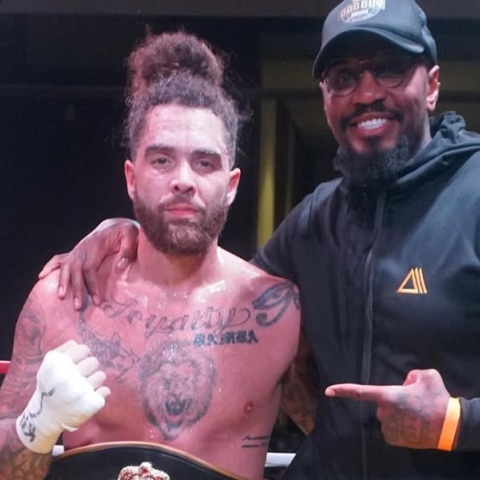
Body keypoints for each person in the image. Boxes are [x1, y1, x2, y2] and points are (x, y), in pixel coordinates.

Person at [40, 0, 480, 478]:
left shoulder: (473, 194)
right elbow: (216, 281)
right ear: (326, 99)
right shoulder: (316, 219)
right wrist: (129, 232)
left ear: (431, 86)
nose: (367, 92)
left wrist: (456, 422)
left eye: (390, 68)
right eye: (344, 77)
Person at [0, 31, 303, 480]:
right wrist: (37, 424)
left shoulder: (279, 315)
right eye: (162, 160)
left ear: (232, 185)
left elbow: (348, 444)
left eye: (204, 162)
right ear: (132, 177)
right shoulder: (63, 298)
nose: (183, 180)